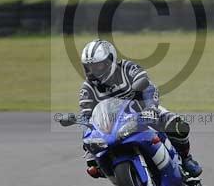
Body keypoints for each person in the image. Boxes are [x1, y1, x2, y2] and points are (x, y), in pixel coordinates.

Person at [77, 39, 202, 177]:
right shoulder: (87, 88)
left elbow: (148, 87)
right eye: (89, 67)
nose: (93, 71)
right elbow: (88, 117)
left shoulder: (128, 68)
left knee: (178, 126)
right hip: (113, 125)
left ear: (110, 61)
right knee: (94, 165)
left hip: (143, 111)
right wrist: (89, 141)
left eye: (98, 66)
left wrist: (151, 109)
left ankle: (186, 159)